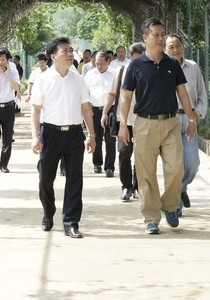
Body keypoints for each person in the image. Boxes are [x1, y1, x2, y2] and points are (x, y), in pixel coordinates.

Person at [118, 18, 197, 234]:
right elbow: (125, 97)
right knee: (146, 174)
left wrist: (191, 119)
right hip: (144, 124)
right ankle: (151, 218)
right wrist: (123, 124)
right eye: (156, 35)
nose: (161, 38)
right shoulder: (135, 66)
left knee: (176, 168)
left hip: (171, 123)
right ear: (145, 38)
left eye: (162, 34)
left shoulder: (172, 64)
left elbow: (182, 92)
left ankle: (170, 206)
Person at [31, 37, 96, 239]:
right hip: (50, 134)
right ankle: (48, 214)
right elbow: (35, 109)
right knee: (45, 179)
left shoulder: (78, 78)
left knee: (75, 179)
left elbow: (86, 107)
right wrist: (35, 137)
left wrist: (91, 135)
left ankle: (71, 223)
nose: (70, 54)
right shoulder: (43, 79)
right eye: (65, 51)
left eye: (70, 51)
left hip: (75, 134)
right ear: (53, 56)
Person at [165, 34, 208, 216]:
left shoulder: (193, 67)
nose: (175, 50)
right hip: (169, 121)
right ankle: (175, 206)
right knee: (173, 165)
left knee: (192, 164)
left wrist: (195, 115)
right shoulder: (161, 68)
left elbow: (201, 95)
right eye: (171, 47)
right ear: (164, 50)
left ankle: (181, 189)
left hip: (189, 120)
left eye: (178, 45)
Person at [102, 42, 144, 201]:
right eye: (137, 59)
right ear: (130, 58)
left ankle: (138, 187)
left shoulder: (149, 71)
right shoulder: (121, 71)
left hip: (143, 120)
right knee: (124, 153)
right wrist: (105, 113)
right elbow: (112, 94)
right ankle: (126, 186)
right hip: (123, 120)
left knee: (141, 155)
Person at [84, 51, 117, 177]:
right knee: (96, 138)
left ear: (108, 61)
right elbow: (85, 93)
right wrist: (88, 108)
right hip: (95, 110)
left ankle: (109, 167)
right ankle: (97, 163)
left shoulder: (114, 74)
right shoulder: (90, 74)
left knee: (110, 139)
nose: (99, 66)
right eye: (97, 63)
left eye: (102, 63)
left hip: (110, 110)